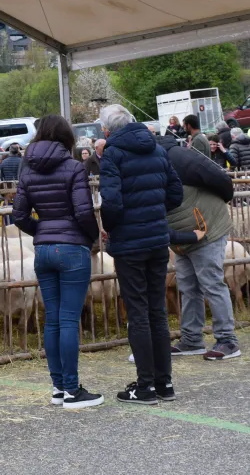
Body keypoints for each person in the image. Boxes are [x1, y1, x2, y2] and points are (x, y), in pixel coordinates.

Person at [12, 115, 102, 409]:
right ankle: (73, 391)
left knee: (52, 319)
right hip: (73, 249)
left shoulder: (28, 170)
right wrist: (91, 238)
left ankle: (58, 387)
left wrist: (43, 231)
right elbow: (84, 212)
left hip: (43, 251)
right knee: (68, 320)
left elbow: (19, 215)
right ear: (66, 136)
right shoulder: (75, 167)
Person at [98, 105, 183, 405]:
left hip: (130, 243)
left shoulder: (112, 154)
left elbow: (111, 201)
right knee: (157, 310)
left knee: (138, 313)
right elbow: (176, 193)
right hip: (158, 240)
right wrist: (155, 212)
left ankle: (145, 385)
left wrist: (110, 228)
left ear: (107, 130)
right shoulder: (157, 149)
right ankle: (165, 382)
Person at [159, 134, 241, 360]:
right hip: (183, 237)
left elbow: (219, 178)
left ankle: (227, 340)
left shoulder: (178, 158)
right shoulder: (147, 165)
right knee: (187, 286)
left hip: (207, 228)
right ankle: (192, 339)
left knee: (212, 283)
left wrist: (223, 199)